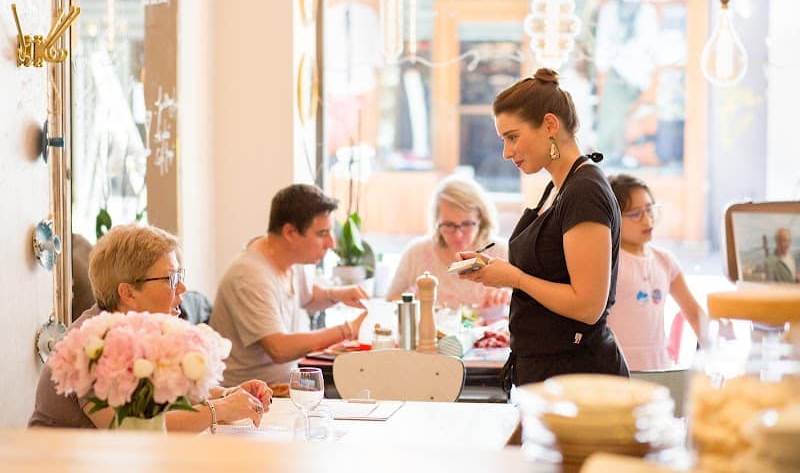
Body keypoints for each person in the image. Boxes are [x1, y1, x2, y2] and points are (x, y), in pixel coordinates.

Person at [459, 68, 628, 387]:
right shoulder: (557, 188)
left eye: (512, 137)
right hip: (548, 372)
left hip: (579, 378)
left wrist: (513, 278)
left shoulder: (584, 192)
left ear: (550, 125)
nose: (506, 152)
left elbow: (588, 306)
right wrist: (498, 270)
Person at [29, 224, 272, 431]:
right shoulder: (94, 343)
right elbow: (131, 429)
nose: (183, 288)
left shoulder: (137, 331)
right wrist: (222, 408)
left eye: (180, 276)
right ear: (128, 293)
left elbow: (162, 398)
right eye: (171, 279)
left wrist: (228, 394)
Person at [210, 184, 368, 389]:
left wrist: (337, 294)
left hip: (285, 388)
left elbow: (309, 297)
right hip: (249, 396)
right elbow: (279, 349)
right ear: (290, 232)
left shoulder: (291, 258)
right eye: (322, 233)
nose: (331, 243)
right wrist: (348, 330)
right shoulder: (249, 275)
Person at [606, 174, 705, 370]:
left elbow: (695, 314)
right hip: (617, 366)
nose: (647, 220)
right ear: (613, 216)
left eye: (650, 210)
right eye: (635, 214)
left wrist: (714, 352)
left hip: (659, 364)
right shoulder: (608, 262)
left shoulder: (665, 261)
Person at [386, 175, 510, 310]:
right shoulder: (416, 253)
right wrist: (415, 300)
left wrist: (508, 296)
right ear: (437, 222)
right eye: (449, 225)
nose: (458, 235)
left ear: (481, 219)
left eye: (466, 224)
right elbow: (390, 301)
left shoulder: (501, 252)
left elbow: (523, 300)